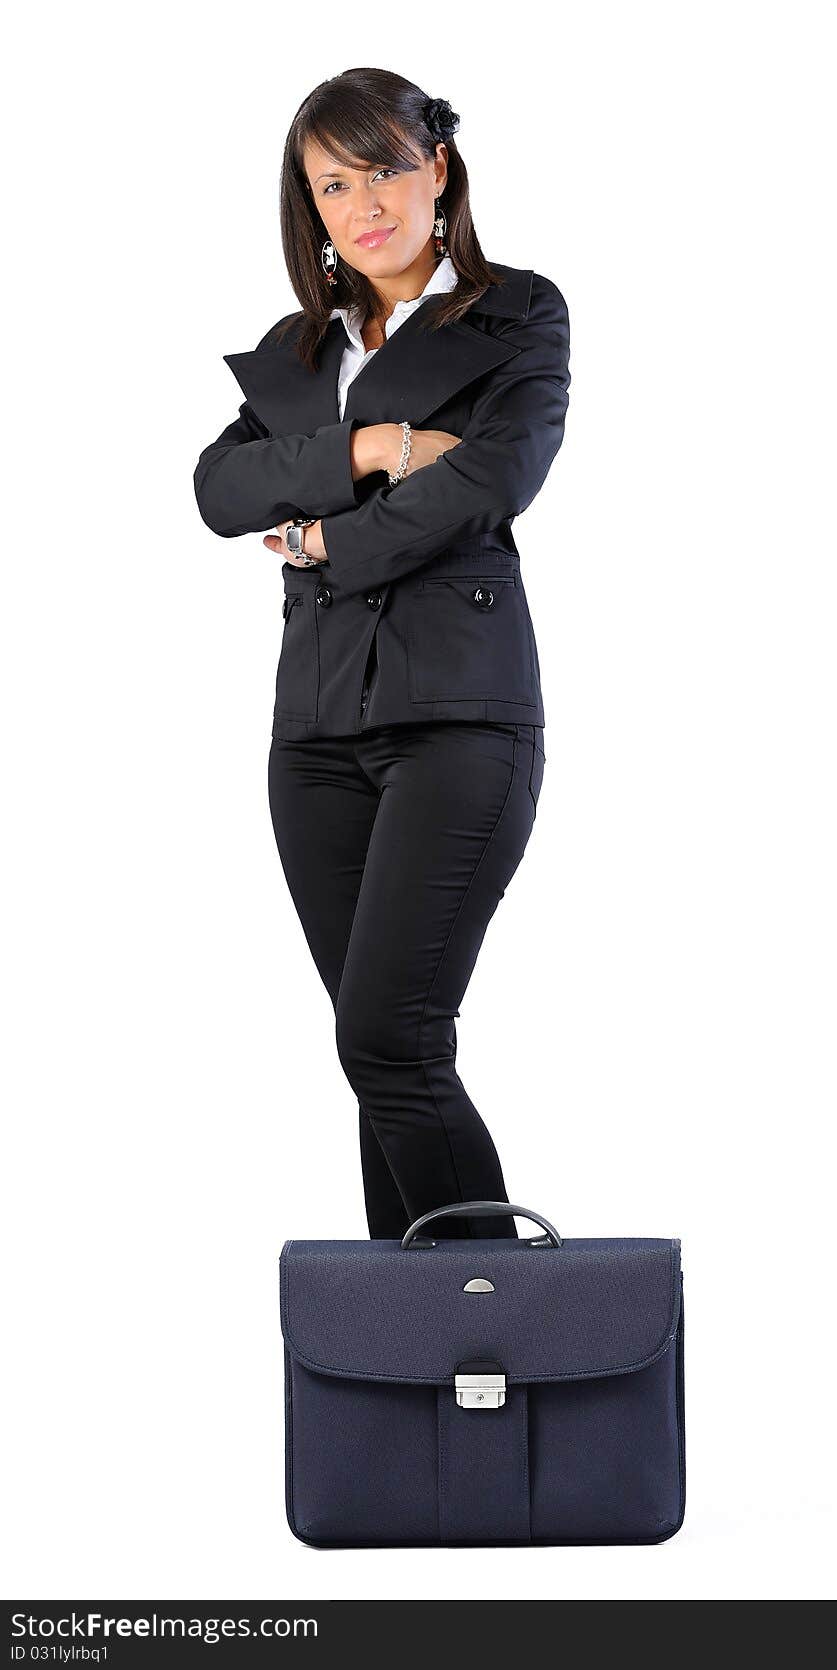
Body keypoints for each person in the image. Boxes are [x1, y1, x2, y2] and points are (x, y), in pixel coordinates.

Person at [193, 67, 571, 1240]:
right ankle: (422, 1369)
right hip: (313, 738)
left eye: (387, 168)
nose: (365, 204)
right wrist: (375, 445)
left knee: (389, 1037)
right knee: (381, 1058)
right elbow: (218, 486)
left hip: (458, 721)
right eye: (332, 184)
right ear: (310, 206)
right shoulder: (300, 350)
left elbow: (490, 482)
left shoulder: (518, 314)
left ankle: (500, 1336)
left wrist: (316, 538)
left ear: (438, 169)